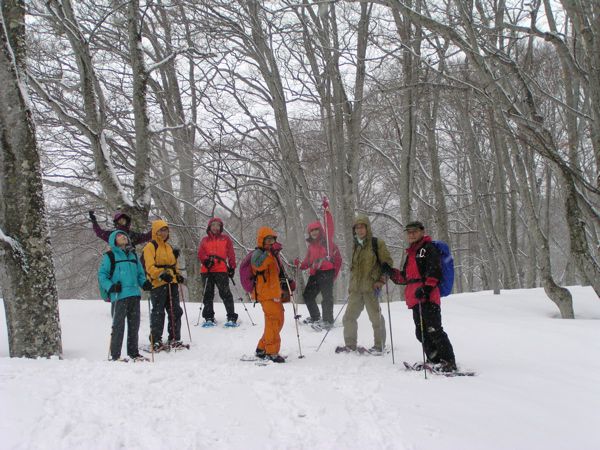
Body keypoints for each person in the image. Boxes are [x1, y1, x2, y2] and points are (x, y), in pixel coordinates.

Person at [390, 221, 456, 372]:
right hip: (415, 298)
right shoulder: (412, 253)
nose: (411, 234)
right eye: (409, 232)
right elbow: (406, 277)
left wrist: (426, 289)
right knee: (421, 332)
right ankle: (433, 359)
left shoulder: (428, 248)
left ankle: (449, 362)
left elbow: (435, 271)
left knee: (434, 330)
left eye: (414, 231)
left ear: (421, 232)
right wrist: (390, 272)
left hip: (428, 297)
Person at [338, 215, 393, 354]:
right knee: (349, 317)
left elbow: (387, 264)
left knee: (375, 318)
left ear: (367, 228)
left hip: (371, 288)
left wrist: (381, 281)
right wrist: (351, 286)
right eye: (357, 227)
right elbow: (354, 268)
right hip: (356, 289)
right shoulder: (356, 245)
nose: (359, 230)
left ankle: (379, 346)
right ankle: (350, 345)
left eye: (362, 227)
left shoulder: (377, 243)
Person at [98, 230, 152, 361]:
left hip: (134, 294)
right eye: (119, 235)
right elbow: (102, 275)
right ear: (113, 240)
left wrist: (144, 283)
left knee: (134, 325)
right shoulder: (110, 256)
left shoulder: (133, 255)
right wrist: (111, 286)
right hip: (119, 296)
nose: (123, 237)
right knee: (118, 326)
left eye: (124, 235)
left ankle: (133, 353)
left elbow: (140, 274)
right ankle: (115, 355)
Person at [294, 198, 342, 328]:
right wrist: (300, 265)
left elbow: (329, 226)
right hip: (315, 273)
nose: (314, 232)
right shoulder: (311, 247)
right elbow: (308, 262)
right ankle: (315, 317)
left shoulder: (326, 241)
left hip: (327, 272)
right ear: (309, 233)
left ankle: (328, 320)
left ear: (320, 231)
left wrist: (327, 211)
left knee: (326, 297)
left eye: (316, 230)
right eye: (312, 231)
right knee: (308, 295)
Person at [143, 219, 185, 350]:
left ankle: (174, 337)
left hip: (171, 282)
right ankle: (155, 339)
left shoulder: (169, 247)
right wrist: (161, 274)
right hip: (158, 283)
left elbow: (173, 265)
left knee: (175, 310)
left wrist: (177, 275)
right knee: (158, 312)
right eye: (161, 230)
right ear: (155, 231)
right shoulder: (150, 247)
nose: (164, 233)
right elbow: (149, 267)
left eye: (166, 230)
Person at [251, 226, 286, 363]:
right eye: (268, 239)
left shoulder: (273, 254)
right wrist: (270, 253)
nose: (271, 242)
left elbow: (277, 273)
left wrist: (287, 281)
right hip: (265, 293)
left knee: (278, 321)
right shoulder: (258, 254)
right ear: (262, 240)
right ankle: (271, 352)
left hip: (274, 292)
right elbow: (259, 266)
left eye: (273, 239)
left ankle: (262, 347)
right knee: (273, 322)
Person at [197, 217, 238, 327]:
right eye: (213, 225)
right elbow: (200, 253)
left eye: (218, 225)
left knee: (225, 293)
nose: (216, 227)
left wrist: (232, 267)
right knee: (207, 294)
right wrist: (205, 261)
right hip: (207, 269)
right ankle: (209, 317)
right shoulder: (204, 240)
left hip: (221, 269)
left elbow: (231, 253)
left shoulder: (225, 239)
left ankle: (231, 317)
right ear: (209, 226)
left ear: (221, 227)